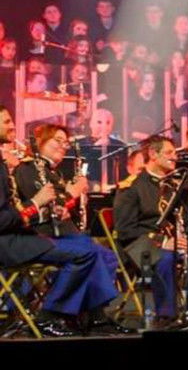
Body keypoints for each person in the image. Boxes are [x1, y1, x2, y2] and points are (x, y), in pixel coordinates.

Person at [7, 121, 125, 335]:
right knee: (92, 254)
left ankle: (92, 315)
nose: (64, 146)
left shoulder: (54, 173)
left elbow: (59, 207)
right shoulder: (27, 169)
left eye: (66, 142)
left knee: (107, 256)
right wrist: (71, 194)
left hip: (63, 233)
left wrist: (71, 201)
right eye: (58, 140)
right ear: (41, 142)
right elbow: (38, 208)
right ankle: (58, 314)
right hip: (43, 235)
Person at [113, 135, 188, 327]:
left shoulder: (173, 185)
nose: (175, 157)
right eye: (169, 153)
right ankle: (167, 317)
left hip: (174, 242)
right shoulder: (131, 187)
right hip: (140, 246)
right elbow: (125, 230)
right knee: (166, 258)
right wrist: (161, 241)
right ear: (153, 154)